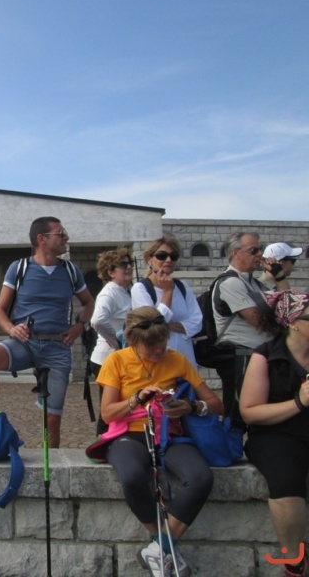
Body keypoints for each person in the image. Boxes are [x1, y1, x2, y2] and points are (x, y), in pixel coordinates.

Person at [97, 307, 223, 577]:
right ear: (133, 341)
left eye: (162, 343)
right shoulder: (116, 360)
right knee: (132, 476)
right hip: (128, 434)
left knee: (200, 478)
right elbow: (107, 413)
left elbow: (216, 403)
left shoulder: (177, 359)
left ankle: (158, 549)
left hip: (169, 435)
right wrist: (137, 399)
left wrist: (191, 406)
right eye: (150, 346)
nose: (158, 351)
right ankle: (164, 546)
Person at [0, 216, 95, 449]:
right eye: (61, 233)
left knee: (52, 420)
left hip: (57, 347)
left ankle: (50, 464)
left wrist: (79, 326)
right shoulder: (19, 268)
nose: (66, 237)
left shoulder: (71, 270)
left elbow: (88, 302)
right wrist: (11, 328)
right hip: (24, 343)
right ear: (42, 239)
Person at [240, 290, 309, 577]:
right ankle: (294, 561)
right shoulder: (266, 355)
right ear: (293, 322)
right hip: (276, 434)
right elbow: (250, 411)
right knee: (286, 479)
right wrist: (299, 402)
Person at [213, 231, 272, 419]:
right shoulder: (230, 283)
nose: (259, 255)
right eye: (253, 250)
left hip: (255, 355)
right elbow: (258, 320)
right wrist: (282, 324)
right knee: (236, 414)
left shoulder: (254, 283)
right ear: (235, 253)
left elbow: (289, 307)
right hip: (241, 357)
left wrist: (278, 277)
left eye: (260, 250)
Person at [131, 235, 202, 368]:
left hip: (186, 361)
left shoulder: (183, 287)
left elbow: (197, 322)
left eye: (173, 256)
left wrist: (168, 326)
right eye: (162, 256)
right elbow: (152, 326)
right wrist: (167, 292)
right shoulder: (141, 289)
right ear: (149, 260)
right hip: (159, 363)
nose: (168, 260)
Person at [89, 248, 133, 435]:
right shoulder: (109, 292)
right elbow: (97, 320)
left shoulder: (125, 291)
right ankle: (101, 443)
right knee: (109, 409)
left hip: (116, 359)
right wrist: (117, 341)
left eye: (130, 263)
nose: (129, 267)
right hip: (107, 359)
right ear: (110, 272)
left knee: (117, 406)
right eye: (123, 264)